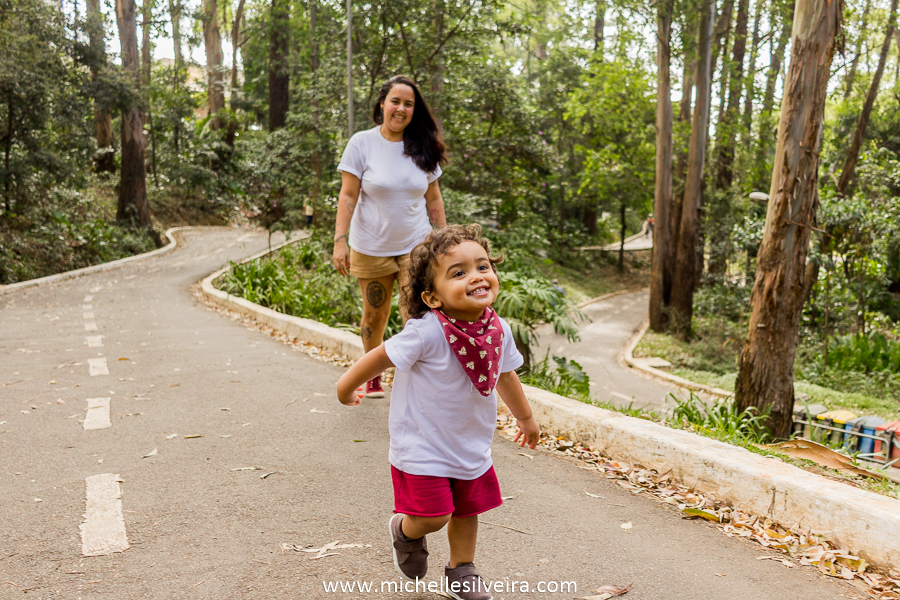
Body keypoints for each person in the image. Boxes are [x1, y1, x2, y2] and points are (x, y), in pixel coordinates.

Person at [337, 225, 540, 600]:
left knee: (466, 510)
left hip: (470, 443)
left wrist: (525, 418)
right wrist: (346, 386)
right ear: (432, 297)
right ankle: (405, 531)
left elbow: (505, 374)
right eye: (459, 272)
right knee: (435, 514)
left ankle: (462, 569)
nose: (477, 276)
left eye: (482, 266)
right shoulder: (425, 332)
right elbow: (379, 357)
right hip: (422, 444)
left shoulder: (497, 330)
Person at [333, 75, 448, 398]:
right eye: (395, 101)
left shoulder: (422, 147)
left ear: (415, 110)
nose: (401, 109)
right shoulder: (362, 143)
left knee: (417, 313)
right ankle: (374, 373)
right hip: (371, 246)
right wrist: (339, 241)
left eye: (408, 104)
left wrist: (443, 238)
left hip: (417, 245)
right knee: (375, 313)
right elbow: (348, 196)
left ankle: (418, 378)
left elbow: (433, 197)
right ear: (381, 104)